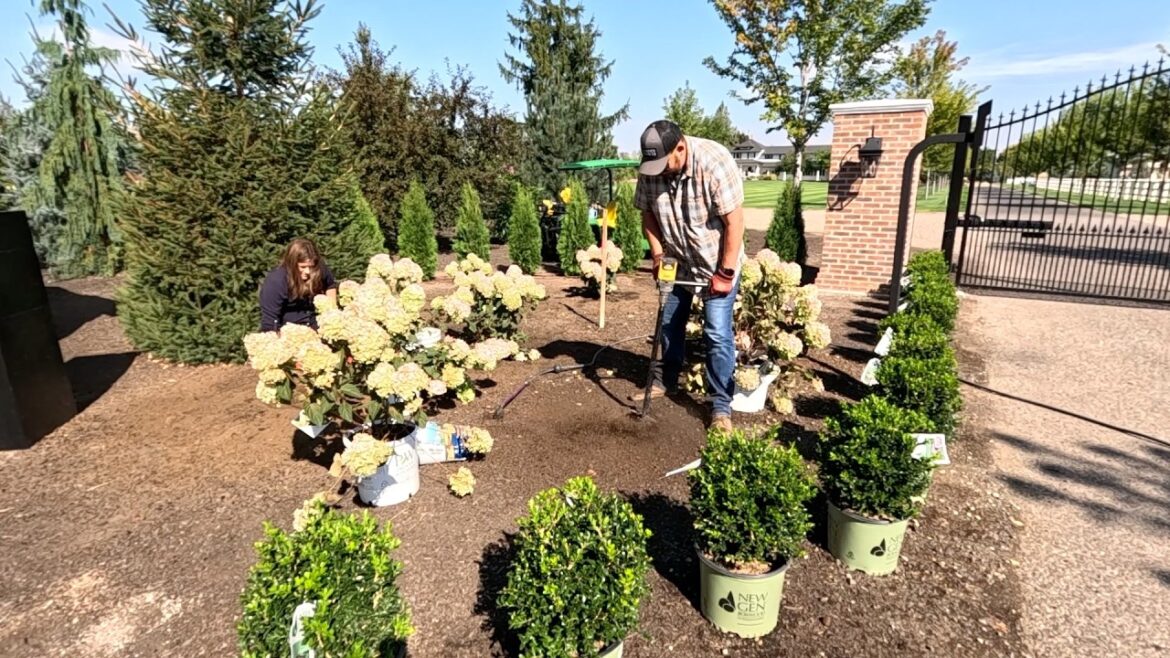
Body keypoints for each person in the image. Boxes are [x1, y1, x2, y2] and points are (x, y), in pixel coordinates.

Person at [631, 119, 745, 432]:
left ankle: (720, 407)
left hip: (715, 262)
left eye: (664, 163)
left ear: (680, 147)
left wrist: (725, 272)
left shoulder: (714, 162)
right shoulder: (652, 168)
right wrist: (657, 255)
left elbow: (735, 223)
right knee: (669, 322)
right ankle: (667, 381)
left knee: (717, 332)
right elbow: (648, 214)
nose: (659, 171)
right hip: (677, 261)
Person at [259, 238, 338, 332]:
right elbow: (270, 321)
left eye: (311, 266)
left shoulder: (318, 269)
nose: (308, 271)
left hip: (317, 327)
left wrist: (332, 311)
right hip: (289, 332)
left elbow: (330, 286)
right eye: (303, 267)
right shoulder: (276, 281)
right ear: (291, 264)